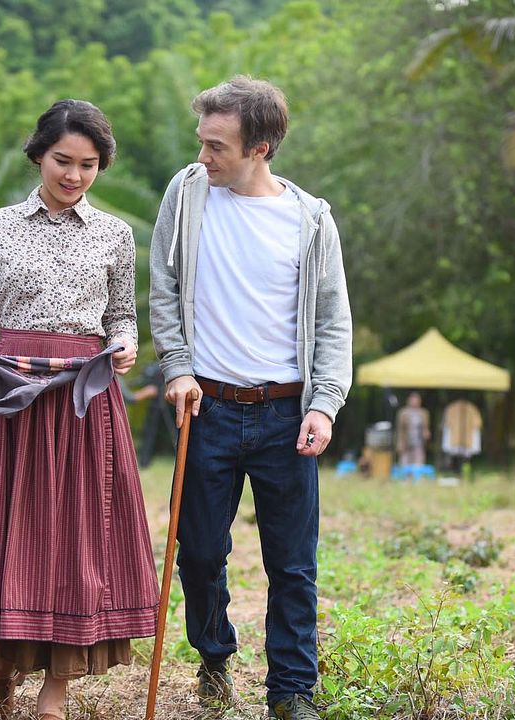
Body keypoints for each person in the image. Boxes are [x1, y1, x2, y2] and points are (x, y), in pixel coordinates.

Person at [0, 99, 159, 720]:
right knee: (5, 529)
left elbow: (120, 315)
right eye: (63, 160)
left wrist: (124, 345)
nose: (74, 175)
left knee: (76, 536)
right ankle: (2, 668)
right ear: (38, 155)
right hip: (8, 395)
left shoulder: (114, 234)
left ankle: (55, 690)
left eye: (88, 165)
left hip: (83, 400)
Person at [149, 76, 352, 720]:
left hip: (286, 412)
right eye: (201, 141)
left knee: (292, 564)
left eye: (217, 146)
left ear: (260, 148)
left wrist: (324, 404)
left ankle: (291, 693)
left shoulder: (310, 219)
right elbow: (163, 285)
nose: (202, 156)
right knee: (199, 553)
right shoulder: (187, 193)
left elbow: (332, 321)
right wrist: (176, 367)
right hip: (205, 407)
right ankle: (214, 655)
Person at [395, 391, 431, 466]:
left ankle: (417, 471)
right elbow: (400, 429)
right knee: (404, 461)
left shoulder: (424, 412)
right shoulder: (403, 412)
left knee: (418, 462)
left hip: (419, 441)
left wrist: (426, 433)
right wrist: (400, 442)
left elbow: (426, 427)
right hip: (406, 440)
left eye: (417, 400)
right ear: (409, 401)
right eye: (413, 400)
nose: (415, 402)